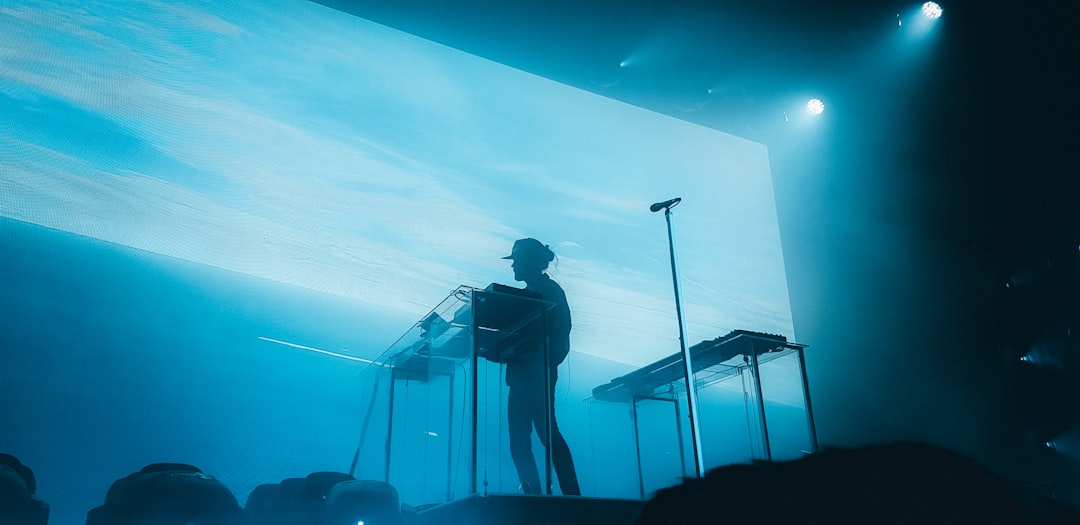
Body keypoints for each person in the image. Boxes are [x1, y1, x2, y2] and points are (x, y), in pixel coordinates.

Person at [500, 238, 580, 496]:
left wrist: (541, 364)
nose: (513, 267)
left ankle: (565, 496)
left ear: (531, 263)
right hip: (526, 375)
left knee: (545, 435)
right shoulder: (533, 294)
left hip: (536, 375)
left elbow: (561, 336)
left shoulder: (550, 292)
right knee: (525, 441)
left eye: (517, 262)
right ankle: (539, 496)